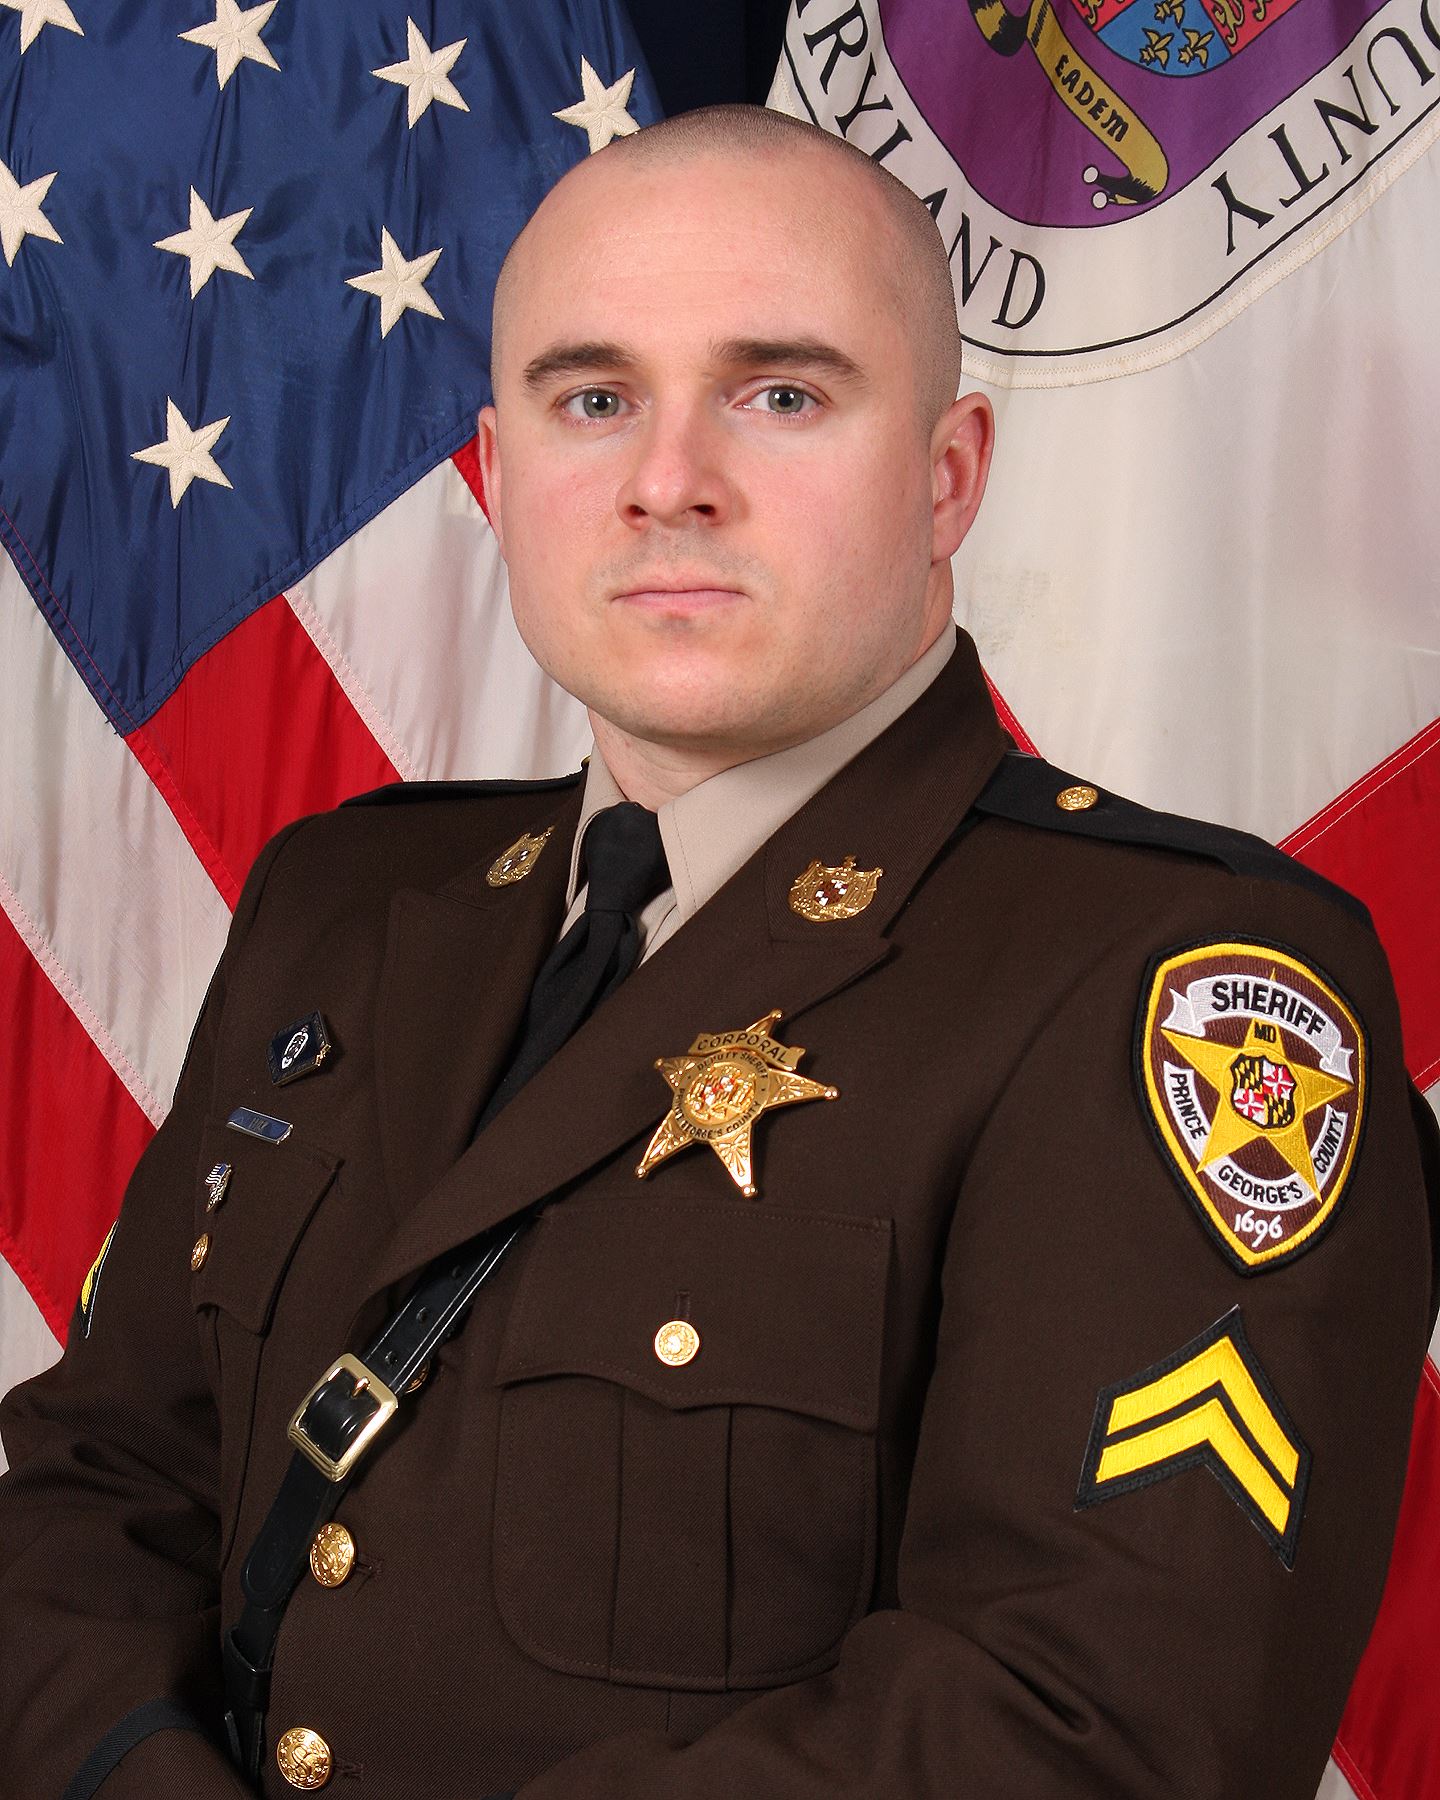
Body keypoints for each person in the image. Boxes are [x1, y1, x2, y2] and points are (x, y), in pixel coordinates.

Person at [1, 103, 1436, 1800]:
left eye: (781, 396)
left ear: (948, 477)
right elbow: (97, 1491)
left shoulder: (1169, 981)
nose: (667, 481)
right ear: (498, 473)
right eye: (594, 400)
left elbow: (1086, 1724)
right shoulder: (344, 901)